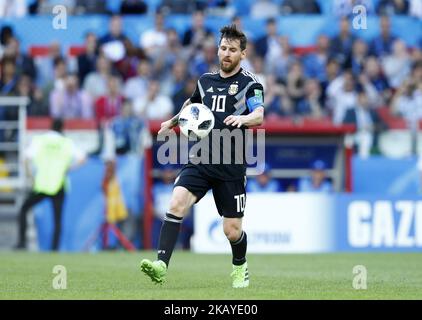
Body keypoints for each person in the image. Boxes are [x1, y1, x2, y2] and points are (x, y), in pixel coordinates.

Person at [140, 25, 265, 288]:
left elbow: (259, 115)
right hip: (201, 158)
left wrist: (243, 119)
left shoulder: (250, 84)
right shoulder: (205, 81)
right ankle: (161, 265)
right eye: (223, 48)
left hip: (231, 165)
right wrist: (172, 121)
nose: (226, 54)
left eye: (232, 50)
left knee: (231, 231)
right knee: (176, 203)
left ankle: (240, 267)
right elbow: (191, 107)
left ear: (243, 54)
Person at [15, 119, 86, 251]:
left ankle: (21, 243)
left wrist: (30, 175)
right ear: (62, 128)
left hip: (41, 184)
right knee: (57, 219)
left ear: (51, 127)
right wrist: (68, 168)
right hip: (58, 184)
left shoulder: (40, 140)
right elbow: (83, 158)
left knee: (24, 209)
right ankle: (55, 248)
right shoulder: (66, 142)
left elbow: (25, 158)